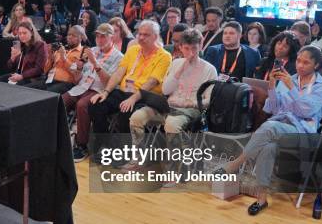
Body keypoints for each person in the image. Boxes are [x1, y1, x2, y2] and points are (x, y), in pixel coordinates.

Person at [215, 46, 322, 216]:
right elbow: (273, 109)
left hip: (304, 133)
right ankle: (262, 199)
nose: (300, 65)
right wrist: (272, 85)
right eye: (298, 60)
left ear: (317, 65)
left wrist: (291, 87)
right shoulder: (289, 79)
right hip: (280, 128)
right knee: (268, 146)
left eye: (306, 62)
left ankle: (235, 164)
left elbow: (305, 111)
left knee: (270, 127)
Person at [128, 28, 217, 164]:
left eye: (194, 48)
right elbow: (165, 90)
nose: (191, 53)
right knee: (136, 117)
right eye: (186, 49)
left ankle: (175, 168)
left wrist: (190, 103)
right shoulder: (176, 63)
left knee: (171, 124)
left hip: (190, 109)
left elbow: (208, 101)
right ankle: (138, 158)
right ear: (180, 47)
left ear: (200, 46)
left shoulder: (209, 69)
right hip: (168, 106)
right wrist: (180, 69)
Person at [88, 20, 172, 136]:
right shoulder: (133, 50)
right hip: (124, 91)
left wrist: (133, 98)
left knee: (125, 113)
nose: (141, 37)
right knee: (95, 104)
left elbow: (152, 82)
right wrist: (106, 92)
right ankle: (104, 145)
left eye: (146, 35)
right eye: (139, 34)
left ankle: (126, 150)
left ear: (155, 37)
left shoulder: (165, 56)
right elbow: (118, 73)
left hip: (144, 96)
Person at [63, 24, 124, 161]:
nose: (99, 39)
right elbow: (77, 78)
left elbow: (109, 82)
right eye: (97, 36)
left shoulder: (119, 57)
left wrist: (95, 62)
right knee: (61, 100)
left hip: (99, 89)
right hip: (82, 86)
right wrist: (78, 69)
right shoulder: (92, 50)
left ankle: (81, 145)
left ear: (111, 37)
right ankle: (60, 138)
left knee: (82, 105)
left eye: (103, 36)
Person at [31, 25, 86, 93]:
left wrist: (64, 58)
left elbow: (76, 73)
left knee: (45, 94)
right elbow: (45, 70)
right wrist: (50, 56)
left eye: (74, 35)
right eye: (69, 34)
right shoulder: (60, 48)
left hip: (66, 83)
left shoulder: (83, 52)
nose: (70, 37)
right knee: (28, 89)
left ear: (81, 38)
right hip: (50, 80)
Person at [0, 21, 47, 85]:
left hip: (33, 78)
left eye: (24, 33)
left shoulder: (40, 45)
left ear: (32, 33)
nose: (22, 36)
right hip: (19, 75)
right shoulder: (20, 45)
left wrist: (22, 76)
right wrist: (12, 58)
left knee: (12, 86)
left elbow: (39, 69)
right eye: (20, 33)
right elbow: (10, 67)